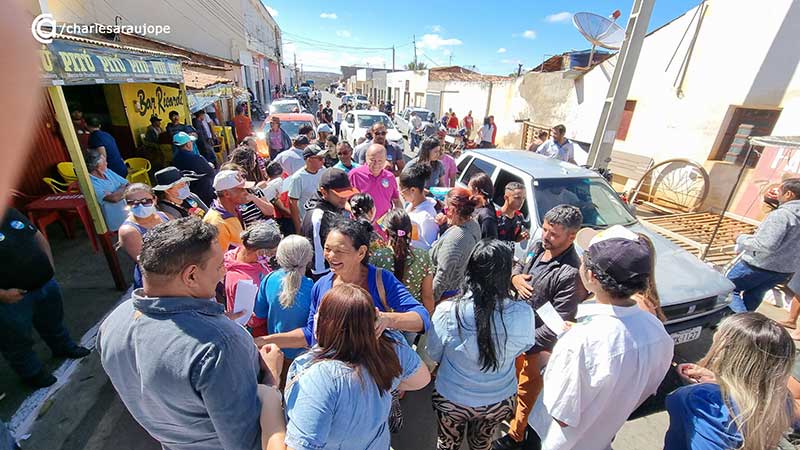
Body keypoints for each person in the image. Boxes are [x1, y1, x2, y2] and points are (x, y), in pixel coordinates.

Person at [97, 217, 286, 450]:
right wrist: (271, 379)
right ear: (191, 276)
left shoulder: (113, 322)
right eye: (218, 266)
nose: (223, 271)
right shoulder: (220, 345)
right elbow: (249, 443)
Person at [526, 225, 673, 450]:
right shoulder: (658, 332)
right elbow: (643, 391)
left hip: (556, 442)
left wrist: (548, 362)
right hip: (602, 439)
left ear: (591, 276)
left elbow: (562, 415)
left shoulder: (580, 341)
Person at [282, 284, 430, 450]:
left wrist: (270, 393)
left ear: (326, 323)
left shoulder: (319, 377)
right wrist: (384, 382)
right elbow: (421, 379)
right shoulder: (390, 347)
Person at [255, 219, 431, 351]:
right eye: (327, 249)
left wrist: (386, 320)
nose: (331, 256)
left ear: (361, 252)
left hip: (375, 377)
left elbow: (422, 318)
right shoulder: (321, 286)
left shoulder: (381, 280)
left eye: (339, 251)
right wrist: (265, 340)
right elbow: (310, 335)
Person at [427, 241, 535, 450]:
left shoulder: (447, 310)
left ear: (470, 269)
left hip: (452, 397)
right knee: (482, 444)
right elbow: (524, 346)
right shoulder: (523, 312)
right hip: (498, 400)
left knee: (447, 444)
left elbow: (433, 352)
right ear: (506, 274)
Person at [494, 205, 585, 450]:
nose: (545, 236)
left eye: (553, 234)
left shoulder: (569, 273)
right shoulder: (538, 248)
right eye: (545, 229)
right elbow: (518, 267)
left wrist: (523, 343)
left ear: (571, 236)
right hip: (514, 335)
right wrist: (514, 278)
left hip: (534, 348)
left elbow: (559, 323)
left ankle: (516, 436)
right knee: (508, 383)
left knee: (527, 394)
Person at [666, 313, 794, 450]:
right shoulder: (780, 398)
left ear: (725, 350)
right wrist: (719, 382)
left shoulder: (706, 401)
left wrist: (711, 390)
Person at [0, 209, 90, 388]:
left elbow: (37, 236)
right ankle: (31, 372)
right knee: (17, 339)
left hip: (44, 283)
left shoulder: (9, 211)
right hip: (11, 298)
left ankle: (63, 347)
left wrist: (49, 267)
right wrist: (3, 294)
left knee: (53, 321)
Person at [728, 178, 800, 312]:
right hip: (784, 271)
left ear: (789, 194)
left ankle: (743, 325)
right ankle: (744, 327)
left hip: (759, 266)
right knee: (754, 295)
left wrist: (740, 238)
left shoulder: (782, 215)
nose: (777, 195)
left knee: (728, 290)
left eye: (780, 191)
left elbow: (766, 245)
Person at [253, 235, 314, 369]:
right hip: (304, 358)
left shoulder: (269, 279)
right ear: (309, 258)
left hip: (273, 353)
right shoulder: (313, 288)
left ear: (279, 257)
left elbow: (259, 314)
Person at [370, 209, 435, 313]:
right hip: (415, 318)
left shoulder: (378, 257)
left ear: (386, 232)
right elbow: (427, 295)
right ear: (410, 232)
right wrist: (427, 320)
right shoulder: (423, 256)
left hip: (386, 320)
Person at [301, 169, 359, 279]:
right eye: (339, 195)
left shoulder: (334, 207)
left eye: (346, 195)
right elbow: (318, 264)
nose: (344, 200)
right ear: (324, 192)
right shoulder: (318, 217)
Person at [431, 187, 481, 303]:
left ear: (452, 210)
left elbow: (442, 276)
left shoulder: (457, 237)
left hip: (444, 296)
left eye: (446, 209)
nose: (445, 212)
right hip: (457, 288)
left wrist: (429, 303)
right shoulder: (473, 224)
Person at [118, 184, 171, 289]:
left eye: (146, 201)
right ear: (126, 204)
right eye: (133, 203)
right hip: (155, 282)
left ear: (154, 200)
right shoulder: (129, 231)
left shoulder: (165, 216)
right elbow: (147, 263)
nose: (140, 206)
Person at [223, 222, 280, 319]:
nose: (274, 256)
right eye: (273, 252)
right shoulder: (242, 282)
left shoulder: (244, 255)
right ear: (260, 252)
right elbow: (249, 318)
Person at [348, 144, 403, 229]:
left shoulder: (390, 177)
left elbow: (396, 200)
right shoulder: (354, 175)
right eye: (372, 160)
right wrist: (357, 214)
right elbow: (344, 201)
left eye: (380, 161)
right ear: (366, 158)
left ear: (385, 160)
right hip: (360, 226)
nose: (376, 164)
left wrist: (401, 220)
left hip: (383, 227)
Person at [203, 170, 251, 251]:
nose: (246, 192)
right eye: (241, 189)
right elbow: (221, 260)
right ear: (226, 194)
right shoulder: (217, 223)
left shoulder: (234, 208)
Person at [86, 148, 129, 231]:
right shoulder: (91, 182)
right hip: (118, 221)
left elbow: (128, 184)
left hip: (130, 212)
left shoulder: (107, 171)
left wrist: (118, 190)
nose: (107, 163)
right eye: (104, 162)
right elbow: (114, 198)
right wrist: (122, 187)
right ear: (97, 167)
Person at [287, 145, 327, 234]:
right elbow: (292, 203)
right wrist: (298, 227)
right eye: (320, 158)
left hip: (324, 220)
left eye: (323, 158)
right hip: (308, 223)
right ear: (309, 160)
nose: (323, 161)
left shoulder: (323, 171)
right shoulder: (298, 178)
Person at [399, 163, 439, 250]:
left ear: (413, 190)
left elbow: (429, 246)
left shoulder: (426, 217)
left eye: (402, 190)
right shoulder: (411, 204)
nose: (401, 194)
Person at [171, 131, 216, 206]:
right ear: (188, 144)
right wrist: (210, 165)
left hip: (190, 191)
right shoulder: (196, 158)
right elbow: (211, 172)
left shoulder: (175, 159)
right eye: (191, 142)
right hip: (204, 192)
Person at [469, 173, 498, 239]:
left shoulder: (487, 217)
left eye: (469, 187)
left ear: (476, 190)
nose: (467, 190)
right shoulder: (475, 205)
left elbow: (488, 243)